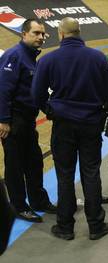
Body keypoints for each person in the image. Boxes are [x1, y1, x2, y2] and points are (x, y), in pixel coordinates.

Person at [31, 17, 108, 241]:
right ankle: (96, 226)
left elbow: (36, 95)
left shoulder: (48, 60)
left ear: (60, 34)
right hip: (91, 124)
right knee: (91, 173)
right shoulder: (98, 57)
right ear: (80, 33)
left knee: (65, 175)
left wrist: (49, 111)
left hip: (63, 126)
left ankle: (65, 227)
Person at [0, 19, 56, 223]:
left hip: (28, 120)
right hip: (14, 120)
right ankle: (18, 206)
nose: (40, 37)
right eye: (36, 33)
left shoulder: (32, 57)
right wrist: (4, 120)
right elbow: (3, 91)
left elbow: (36, 91)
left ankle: (38, 201)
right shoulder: (14, 56)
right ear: (24, 34)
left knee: (34, 161)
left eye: (42, 34)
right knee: (15, 166)